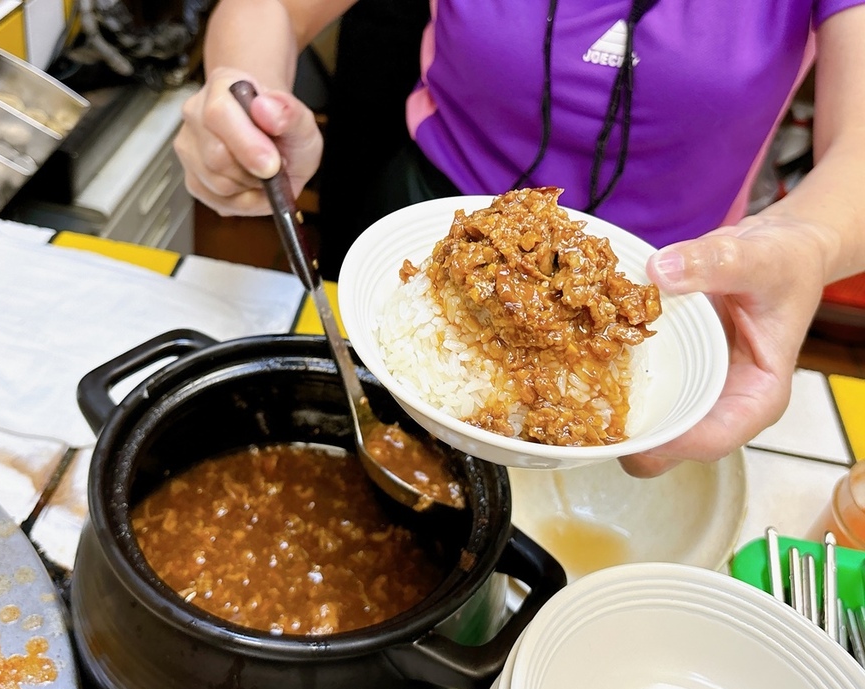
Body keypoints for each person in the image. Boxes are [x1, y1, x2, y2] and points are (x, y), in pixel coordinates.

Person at [173, 0, 865, 478]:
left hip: (669, 302)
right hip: (433, 244)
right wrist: (246, 96)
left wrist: (807, 239)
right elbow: (274, 8)